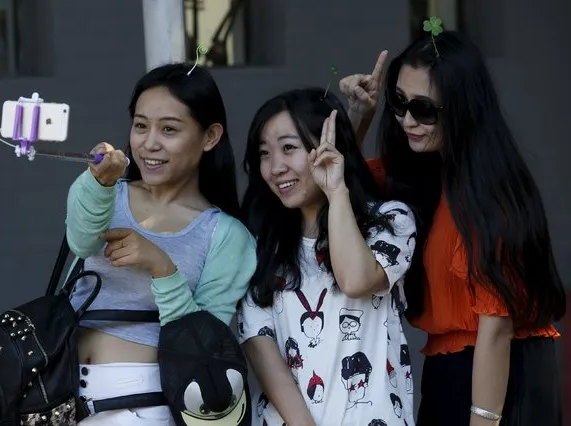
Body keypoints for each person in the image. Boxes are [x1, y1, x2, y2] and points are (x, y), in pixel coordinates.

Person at [339, 30, 566, 425]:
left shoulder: (493, 193)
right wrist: (360, 117)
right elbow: (341, 186)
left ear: (461, 108)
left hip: (503, 371)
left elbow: (495, 329)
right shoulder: (416, 171)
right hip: (448, 368)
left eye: (424, 109)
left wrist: (483, 419)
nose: (407, 119)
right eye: (399, 102)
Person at [65, 63, 257, 425]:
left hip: (142, 405)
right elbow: (81, 240)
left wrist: (163, 268)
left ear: (210, 136)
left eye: (169, 129)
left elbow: (203, 346)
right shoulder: (103, 191)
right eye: (140, 125)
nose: (149, 143)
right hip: (60, 395)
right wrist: (98, 184)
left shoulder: (228, 236)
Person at [237, 88, 418, 426]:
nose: (275, 167)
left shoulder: (391, 222)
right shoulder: (257, 244)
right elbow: (259, 345)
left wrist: (335, 190)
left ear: (327, 150)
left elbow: (356, 280)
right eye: (264, 153)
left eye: (289, 148)